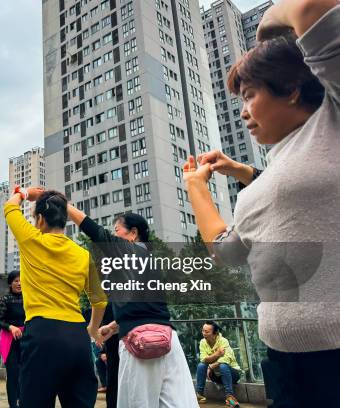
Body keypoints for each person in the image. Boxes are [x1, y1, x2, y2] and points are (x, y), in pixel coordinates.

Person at [183, 1, 340, 406]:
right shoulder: (276, 166)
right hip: (286, 366)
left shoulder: (332, 119)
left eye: (249, 94)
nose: (243, 112)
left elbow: (312, 7)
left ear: (290, 89)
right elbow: (227, 250)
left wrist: (266, 34)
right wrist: (199, 187)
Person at [65, 200, 198, 408]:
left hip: (139, 345)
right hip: (168, 341)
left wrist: (64, 205)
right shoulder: (151, 261)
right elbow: (146, 310)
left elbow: (94, 231)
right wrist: (112, 327)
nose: (113, 235)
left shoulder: (128, 251)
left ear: (133, 233)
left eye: (117, 230)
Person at [4, 187, 107, 408]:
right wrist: (91, 329)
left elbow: (10, 207)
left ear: (40, 219)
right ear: (64, 220)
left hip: (42, 335)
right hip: (77, 338)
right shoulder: (82, 254)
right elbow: (100, 300)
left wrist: (23, 193)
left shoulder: (31, 240)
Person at [0, 270, 25, 408]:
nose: (19, 283)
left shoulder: (29, 298)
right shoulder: (5, 299)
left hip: (26, 339)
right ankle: (13, 405)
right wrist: (11, 327)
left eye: (21, 280)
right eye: (16, 281)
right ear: (10, 283)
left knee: (25, 374)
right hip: (10, 339)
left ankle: (23, 402)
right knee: (13, 375)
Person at [195, 322, 241, 406]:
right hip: (216, 375)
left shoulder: (223, 341)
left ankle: (230, 397)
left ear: (215, 333)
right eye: (203, 331)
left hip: (232, 374)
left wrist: (211, 366)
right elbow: (204, 359)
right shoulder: (202, 342)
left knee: (223, 366)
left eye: (207, 332)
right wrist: (217, 354)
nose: (204, 333)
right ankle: (199, 394)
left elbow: (225, 359)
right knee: (201, 365)